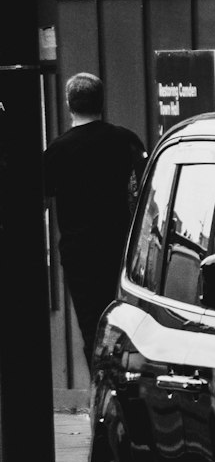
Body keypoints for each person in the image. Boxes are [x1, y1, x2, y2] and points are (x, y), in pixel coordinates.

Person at [43, 73, 147, 371]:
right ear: (102, 101)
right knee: (126, 325)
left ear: (68, 105)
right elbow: (143, 191)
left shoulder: (57, 151)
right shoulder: (125, 140)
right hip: (121, 251)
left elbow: (42, 197)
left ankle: (100, 391)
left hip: (80, 257)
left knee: (93, 328)